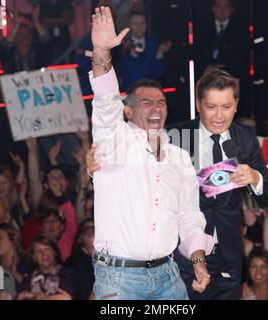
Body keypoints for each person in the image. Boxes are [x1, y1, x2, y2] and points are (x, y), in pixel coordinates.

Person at [88, 6, 214, 300]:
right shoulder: (114, 141)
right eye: (146, 102)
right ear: (128, 111)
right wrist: (101, 51)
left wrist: (198, 263)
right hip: (119, 280)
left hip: (168, 278)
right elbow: (106, 102)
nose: (156, 107)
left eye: (161, 102)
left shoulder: (180, 159)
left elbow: (189, 216)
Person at [167, 68, 268, 300]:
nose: (219, 116)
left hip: (228, 254)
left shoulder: (244, 137)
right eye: (211, 107)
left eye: (226, 107)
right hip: (186, 253)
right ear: (198, 104)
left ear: (236, 105)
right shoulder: (176, 136)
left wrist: (254, 177)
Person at [116, 11, 172, 90]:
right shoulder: (122, 45)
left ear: (146, 25)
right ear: (129, 26)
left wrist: (159, 53)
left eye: (142, 23)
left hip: (150, 90)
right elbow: (121, 72)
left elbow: (159, 73)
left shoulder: (154, 44)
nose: (139, 27)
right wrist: (129, 53)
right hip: (130, 91)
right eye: (135, 23)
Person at [17, 235, 74, 300]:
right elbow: (21, 296)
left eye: (47, 249)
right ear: (34, 257)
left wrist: (38, 297)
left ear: (54, 252)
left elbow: (64, 296)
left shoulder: (67, 274)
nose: (43, 254)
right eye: (38, 251)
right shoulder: (28, 277)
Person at [65, 218, 95, 300]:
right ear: (80, 239)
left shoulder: (113, 260)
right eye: (89, 233)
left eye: (95, 231)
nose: (93, 234)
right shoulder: (72, 265)